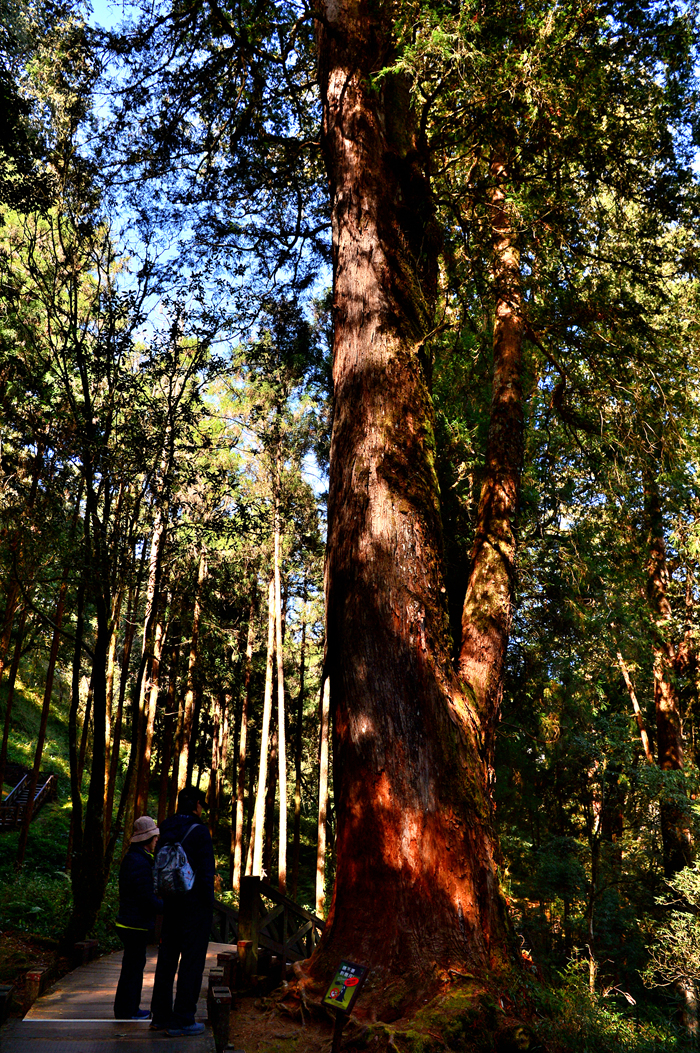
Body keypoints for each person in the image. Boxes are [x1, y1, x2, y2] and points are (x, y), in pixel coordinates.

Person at [150, 784, 215, 1037]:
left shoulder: (166, 827)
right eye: (201, 805)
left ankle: (160, 1016)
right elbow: (206, 874)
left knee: (167, 959)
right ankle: (183, 1018)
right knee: (191, 961)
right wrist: (208, 906)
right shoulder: (200, 831)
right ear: (197, 805)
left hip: (170, 904)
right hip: (195, 906)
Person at [114, 815, 163, 1020]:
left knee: (131, 967)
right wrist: (166, 907)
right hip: (134, 923)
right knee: (133, 969)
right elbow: (145, 898)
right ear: (147, 839)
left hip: (129, 921)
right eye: (154, 837)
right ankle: (128, 1010)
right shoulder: (140, 862)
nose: (156, 840)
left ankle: (126, 1009)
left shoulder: (134, 857)